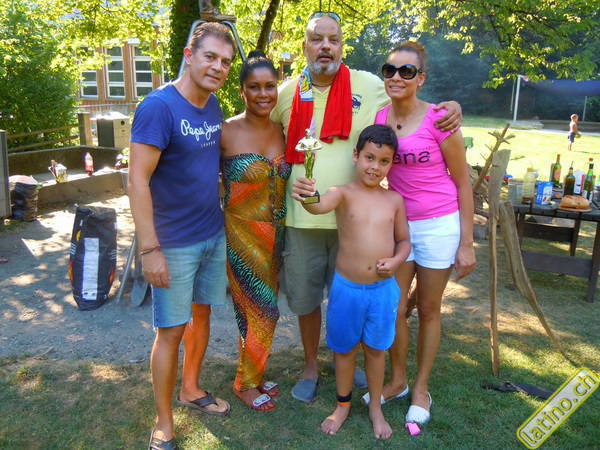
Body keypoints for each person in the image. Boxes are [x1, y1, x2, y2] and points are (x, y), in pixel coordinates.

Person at [270, 11, 463, 403]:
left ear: (343, 45)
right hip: (305, 218)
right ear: (305, 46)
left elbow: (409, 98)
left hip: (357, 224)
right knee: (307, 300)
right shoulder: (286, 93)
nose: (325, 46)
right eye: (317, 39)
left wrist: (452, 106)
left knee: (355, 296)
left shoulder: (370, 85)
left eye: (333, 39)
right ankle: (311, 365)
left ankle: (349, 361)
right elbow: (264, 127)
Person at [128, 22, 235, 450]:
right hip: (172, 243)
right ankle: (163, 422)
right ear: (189, 55)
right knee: (171, 331)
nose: (218, 67)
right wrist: (150, 249)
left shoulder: (213, 105)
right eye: (210, 57)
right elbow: (137, 180)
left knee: (202, 316)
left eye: (225, 61)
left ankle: (191, 389)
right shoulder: (158, 107)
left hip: (212, 232)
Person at [364, 41, 475, 425]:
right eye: (390, 70)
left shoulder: (440, 118)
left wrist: (466, 243)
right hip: (400, 227)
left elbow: (463, 183)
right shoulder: (380, 116)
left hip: (439, 225)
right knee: (394, 309)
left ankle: (421, 388)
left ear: (420, 78)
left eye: (406, 71)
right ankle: (397, 381)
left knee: (428, 309)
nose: (396, 77)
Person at [291, 124, 411, 438]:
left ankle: (375, 407)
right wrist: (306, 195)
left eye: (383, 161)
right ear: (356, 155)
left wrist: (396, 261)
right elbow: (318, 205)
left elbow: (404, 242)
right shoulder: (342, 193)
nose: (375, 167)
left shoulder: (394, 200)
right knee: (344, 351)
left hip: (382, 291)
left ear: (391, 163)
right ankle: (342, 405)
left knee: (376, 350)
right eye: (369, 158)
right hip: (347, 290)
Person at [220, 51, 291, 411]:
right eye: (254, 87)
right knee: (265, 311)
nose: (263, 94)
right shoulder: (225, 131)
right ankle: (245, 384)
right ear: (242, 91)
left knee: (253, 311)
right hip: (242, 235)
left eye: (270, 86)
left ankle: (256, 373)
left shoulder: (283, 130)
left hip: (276, 237)